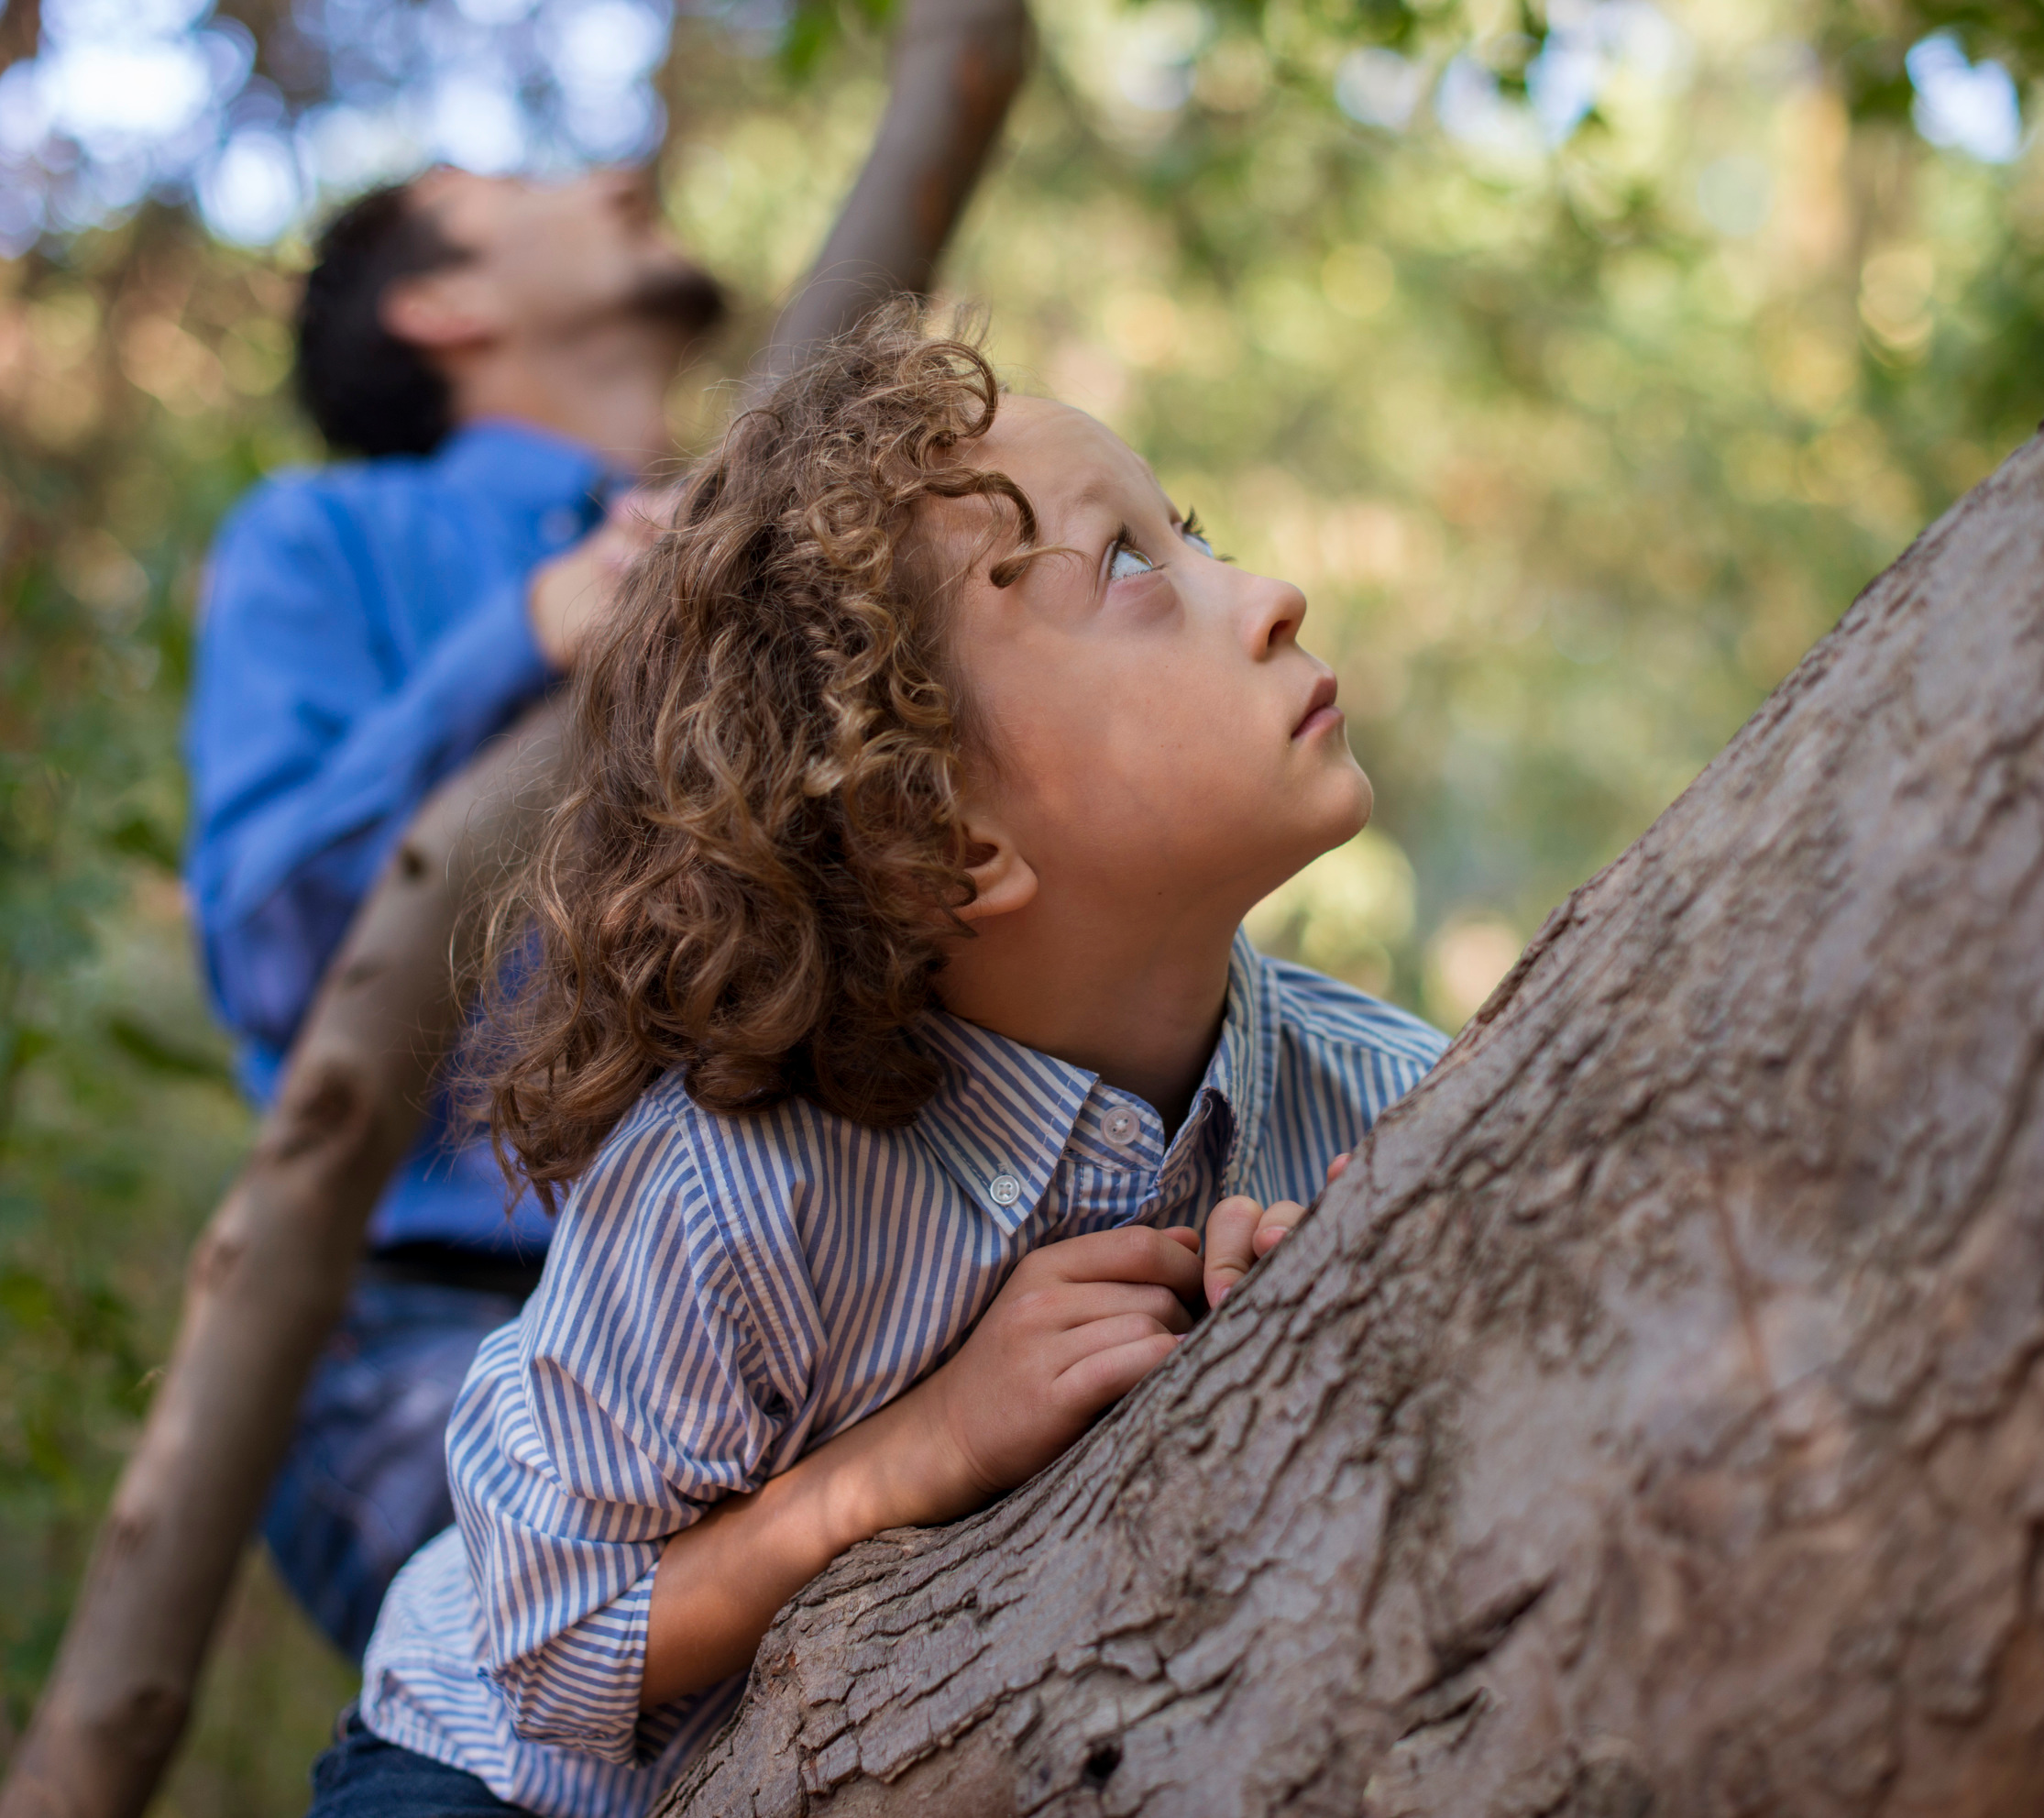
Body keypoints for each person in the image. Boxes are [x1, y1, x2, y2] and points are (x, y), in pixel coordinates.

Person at [306, 305, 1449, 1817]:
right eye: (1127, 572)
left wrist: (1325, 1278)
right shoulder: (731, 1179)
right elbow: (552, 1639)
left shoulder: (1385, 1094)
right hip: (488, 1783)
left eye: (1193, 538)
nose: (1274, 596)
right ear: (947, 838)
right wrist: (928, 1444)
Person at [183, 164, 726, 1658]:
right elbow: (272, 948)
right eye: (518, 186)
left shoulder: (763, 545)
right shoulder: (320, 538)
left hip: (783, 1292)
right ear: (443, 303)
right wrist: (530, 637)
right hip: (420, 1330)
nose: (621, 173)